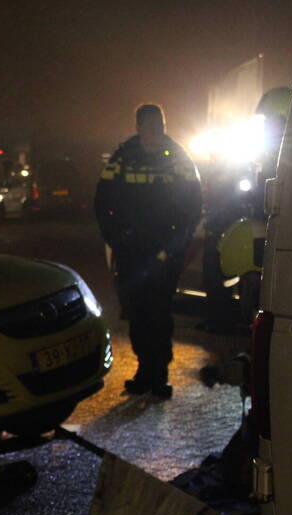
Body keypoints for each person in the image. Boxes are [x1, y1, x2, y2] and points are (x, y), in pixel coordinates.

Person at [95, 103, 202, 398]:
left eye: (160, 126)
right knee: (137, 311)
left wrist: (176, 246)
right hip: (132, 251)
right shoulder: (123, 158)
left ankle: (160, 376)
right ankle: (144, 371)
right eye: (150, 125)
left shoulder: (178, 159)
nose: (156, 131)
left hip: (164, 252)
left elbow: (193, 206)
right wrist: (117, 239)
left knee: (159, 313)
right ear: (138, 127)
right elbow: (102, 202)